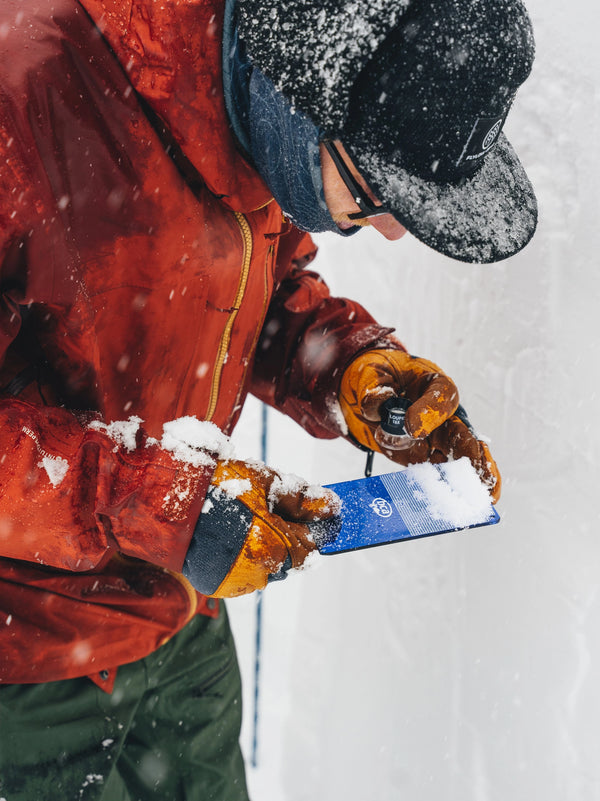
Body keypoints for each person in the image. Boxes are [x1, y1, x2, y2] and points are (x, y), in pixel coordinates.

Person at [0, 0, 536, 797]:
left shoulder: (238, 94)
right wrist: (164, 503)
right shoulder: (26, 94)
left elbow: (242, 278)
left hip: (182, 622)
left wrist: (348, 368)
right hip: (32, 663)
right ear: (298, 94)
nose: (389, 232)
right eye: (371, 192)